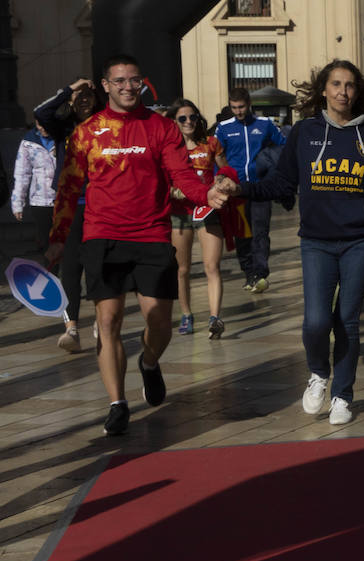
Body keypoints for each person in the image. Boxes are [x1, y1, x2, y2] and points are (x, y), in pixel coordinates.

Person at [213, 60, 364, 427]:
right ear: (323, 90)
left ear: (357, 91)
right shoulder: (304, 133)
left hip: (361, 241)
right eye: (335, 84)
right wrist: (240, 190)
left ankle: (343, 395)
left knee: (347, 320)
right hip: (316, 242)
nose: (343, 91)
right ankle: (318, 373)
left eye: (349, 85)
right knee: (316, 321)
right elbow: (282, 184)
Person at [45, 55, 212, 436]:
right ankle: (117, 403)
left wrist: (207, 194)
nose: (127, 87)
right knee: (108, 321)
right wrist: (57, 240)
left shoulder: (163, 128)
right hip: (102, 236)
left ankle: (149, 363)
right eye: (119, 81)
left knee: (159, 322)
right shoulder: (86, 132)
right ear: (105, 85)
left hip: (152, 234)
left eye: (133, 80)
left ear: (142, 83)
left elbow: (182, 174)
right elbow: (68, 189)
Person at [34, 78, 100, 353]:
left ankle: (102, 318)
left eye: (88, 94)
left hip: (101, 203)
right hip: (70, 205)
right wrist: (69, 90)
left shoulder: (106, 123)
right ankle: (71, 327)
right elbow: (41, 113)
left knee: (99, 263)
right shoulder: (63, 126)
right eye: (79, 96)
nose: (83, 99)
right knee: (70, 268)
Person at [165, 100, 228, 340]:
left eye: (192, 117)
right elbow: (160, 180)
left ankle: (215, 318)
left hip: (208, 210)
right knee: (182, 269)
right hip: (179, 213)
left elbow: (225, 171)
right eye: (182, 118)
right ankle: (186, 314)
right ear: (174, 122)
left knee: (212, 266)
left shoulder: (211, 143)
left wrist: (221, 184)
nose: (189, 122)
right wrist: (172, 191)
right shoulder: (169, 149)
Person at [214, 87, 286, 293]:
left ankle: (261, 273)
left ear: (249, 105)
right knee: (242, 234)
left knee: (261, 231)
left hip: (260, 187)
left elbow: (284, 146)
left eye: (242, 107)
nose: (238, 111)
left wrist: (275, 172)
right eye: (234, 107)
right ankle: (249, 273)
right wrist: (219, 181)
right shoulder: (223, 128)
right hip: (236, 189)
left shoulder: (264, 125)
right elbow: (216, 157)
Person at [10, 121, 56, 254]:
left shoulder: (65, 137)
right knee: (47, 245)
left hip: (64, 201)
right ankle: (50, 274)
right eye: (39, 123)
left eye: (45, 122)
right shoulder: (29, 142)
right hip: (40, 201)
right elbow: (21, 173)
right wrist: (17, 203)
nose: (42, 127)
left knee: (68, 245)